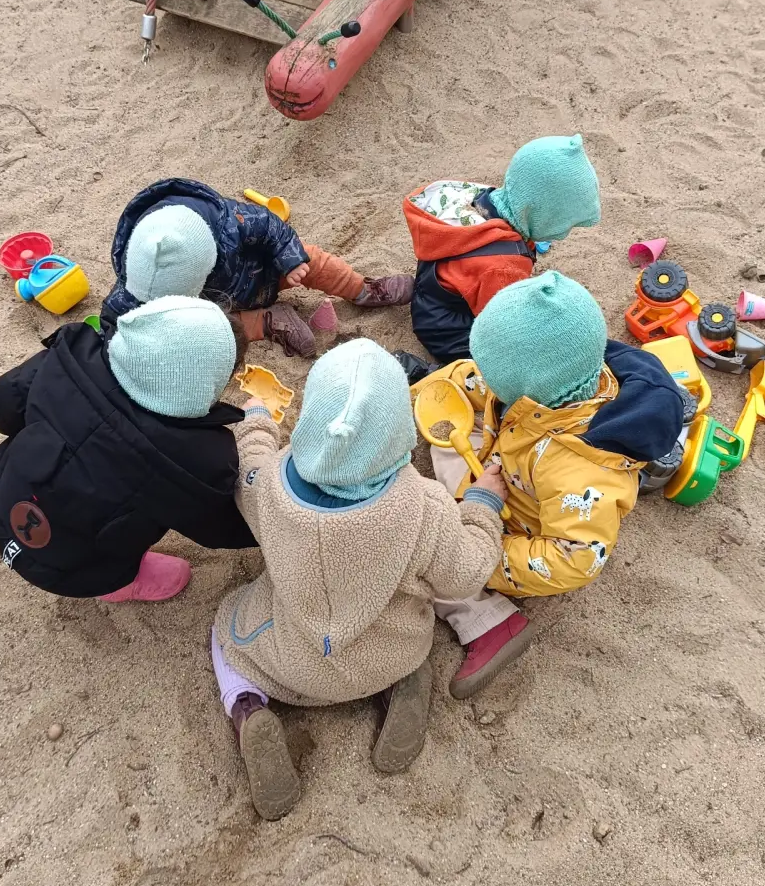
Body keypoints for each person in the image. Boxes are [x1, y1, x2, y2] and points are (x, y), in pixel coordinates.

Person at [211, 338, 506, 820]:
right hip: (390, 650)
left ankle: (247, 707)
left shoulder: (268, 485)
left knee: (227, 629)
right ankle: (403, 685)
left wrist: (258, 421)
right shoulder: (424, 507)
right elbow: (466, 574)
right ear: (399, 435)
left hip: (289, 663)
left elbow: (250, 461)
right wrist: (482, 507)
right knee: (409, 643)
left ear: (310, 424)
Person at [412, 272, 685, 698]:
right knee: (446, 432)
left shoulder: (582, 472)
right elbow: (468, 378)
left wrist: (487, 554)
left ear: (529, 389)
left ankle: (489, 625)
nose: (482, 374)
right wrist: (418, 390)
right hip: (507, 464)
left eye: (492, 371)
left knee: (433, 565)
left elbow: (575, 559)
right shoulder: (553, 372)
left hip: (521, 528)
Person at [0, 297, 255, 602]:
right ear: (206, 388)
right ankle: (121, 585)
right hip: (74, 570)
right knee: (148, 511)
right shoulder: (197, 457)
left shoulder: (72, 355)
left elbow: (2, 407)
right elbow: (222, 528)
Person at [100, 178, 414, 357]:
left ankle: (362, 290)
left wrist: (289, 258)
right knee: (216, 330)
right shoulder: (138, 280)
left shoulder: (230, 223)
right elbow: (115, 318)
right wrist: (112, 343)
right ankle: (269, 321)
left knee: (312, 258)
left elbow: (271, 225)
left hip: (264, 274)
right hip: (223, 306)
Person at [401, 135, 601, 367]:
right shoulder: (503, 266)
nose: (564, 233)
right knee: (514, 359)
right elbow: (502, 325)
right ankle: (433, 370)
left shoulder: (477, 199)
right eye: (563, 224)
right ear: (541, 215)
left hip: (432, 295)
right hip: (446, 332)